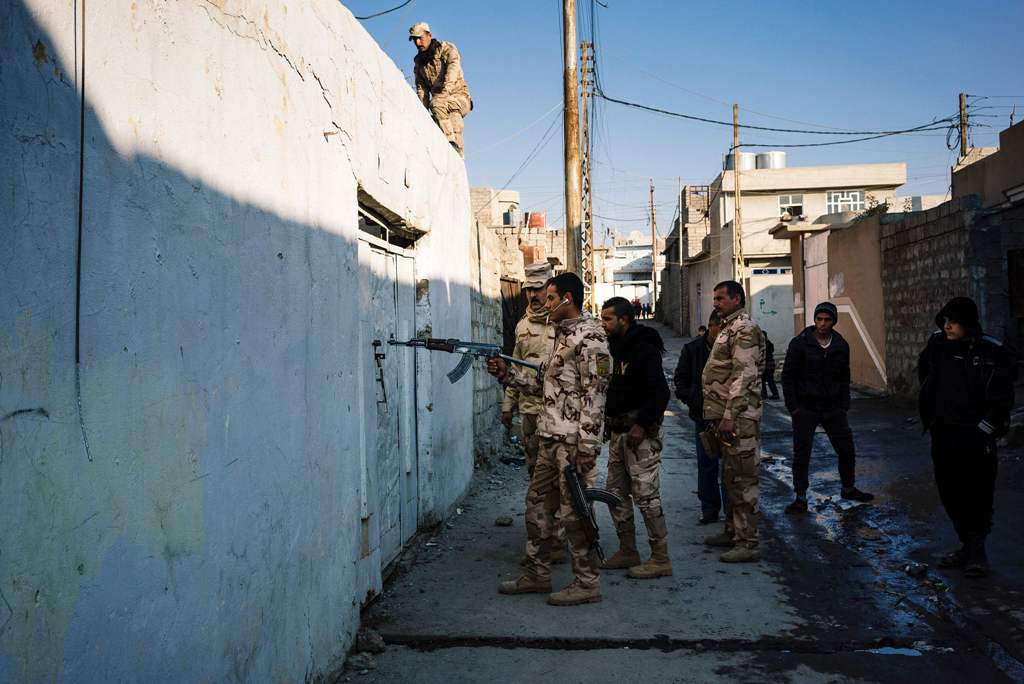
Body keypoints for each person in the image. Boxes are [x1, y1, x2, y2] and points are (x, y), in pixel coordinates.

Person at [488, 273, 612, 605]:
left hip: (572, 444)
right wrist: (507, 374)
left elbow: (595, 396)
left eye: (552, 297)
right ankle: (537, 574)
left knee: (575, 515)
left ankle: (587, 582)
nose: (546, 302)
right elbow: (545, 387)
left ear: (568, 299)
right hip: (548, 437)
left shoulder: (591, 338)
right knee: (538, 507)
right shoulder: (562, 336)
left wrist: (588, 446)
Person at [918, 297, 1016, 577]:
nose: (947, 326)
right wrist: (933, 420)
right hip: (944, 434)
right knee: (950, 491)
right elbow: (925, 376)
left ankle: (977, 551)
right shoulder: (937, 347)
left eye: (954, 321)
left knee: (978, 493)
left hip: (975, 437)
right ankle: (967, 546)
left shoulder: (990, 351)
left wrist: (984, 429)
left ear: (968, 323)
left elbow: (1002, 397)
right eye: (945, 320)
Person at [598, 297, 673, 579]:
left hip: (639, 435)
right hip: (618, 434)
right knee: (615, 494)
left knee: (646, 496)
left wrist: (642, 425)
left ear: (624, 320)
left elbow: (660, 393)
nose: (603, 324)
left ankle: (660, 558)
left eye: (607, 319)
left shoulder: (643, 347)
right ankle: (628, 549)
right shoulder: (612, 348)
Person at [781, 302, 874, 513]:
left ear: (833, 322)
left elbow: (844, 377)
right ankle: (800, 496)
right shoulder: (800, 344)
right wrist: (793, 407)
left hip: (833, 408)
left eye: (827, 320)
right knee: (802, 453)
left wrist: (844, 405)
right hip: (806, 408)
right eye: (819, 319)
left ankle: (848, 487)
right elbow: (788, 376)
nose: (822, 324)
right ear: (814, 320)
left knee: (846, 449)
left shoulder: (840, 345)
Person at [501, 263, 565, 565]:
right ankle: (544, 538)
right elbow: (515, 366)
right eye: (528, 289)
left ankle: (561, 539)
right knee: (536, 480)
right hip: (530, 413)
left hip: (557, 414)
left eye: (538, 289)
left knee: (562, 480)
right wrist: (507, 404)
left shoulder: (564, 322)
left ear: (549, 288)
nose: (532, 295)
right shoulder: (523, 326)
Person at [701, 280, 766, 563]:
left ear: (737, 299)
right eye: (714, 299)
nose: (716, 303)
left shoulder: (744, 329)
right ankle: (732, 531)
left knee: (743, 479)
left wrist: (730, 415)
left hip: (739, 418)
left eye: (721, 298)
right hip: (725, 417)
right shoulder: (728, 327)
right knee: (730, 477)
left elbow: (745, 376)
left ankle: (748, 542)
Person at [674, 312, 727, 524]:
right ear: (710, 327)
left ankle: (733, 513)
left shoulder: (732, 349)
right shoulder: (693, 349)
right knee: (707, 463)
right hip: (704, 416)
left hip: (728, 415)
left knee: (732, 467)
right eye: (719, 329)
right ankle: (709, 509)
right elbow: (680, 379)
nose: (722, 334)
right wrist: (693, 400)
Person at [409, 22, 472, 156]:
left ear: (429, 35)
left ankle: (453, 147)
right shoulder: (419, 64)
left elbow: (453, 69)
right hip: (441, 105)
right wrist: (422, 113)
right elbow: (422, 91)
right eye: (415, 40)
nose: (418, 42)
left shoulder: (446, 48)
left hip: (460, 96)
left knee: (438, 104)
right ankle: (454, 157)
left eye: (420, 38)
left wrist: (446, 91)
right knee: (439, 119)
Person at [762, 332, 780, 400]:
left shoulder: (765, 344)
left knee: (766, 380)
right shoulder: (769, 343)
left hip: (767, 365)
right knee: (769, 380)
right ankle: (773, 394)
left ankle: (766, 394)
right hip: (770, 365)